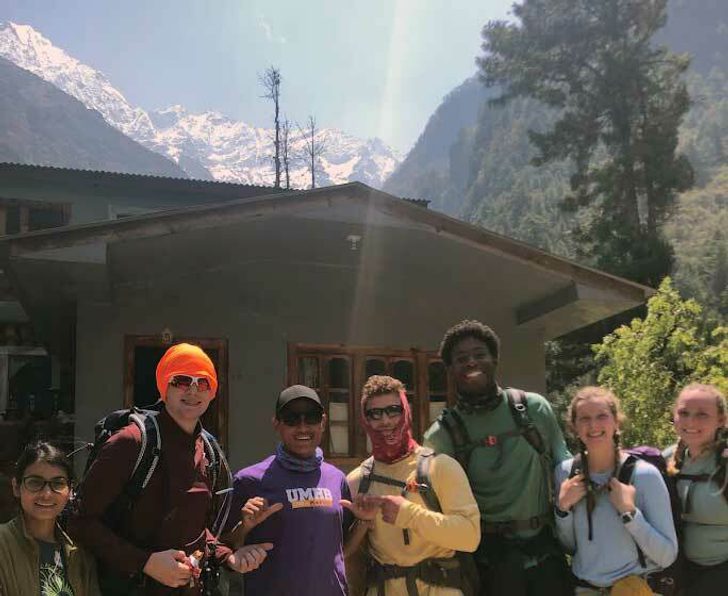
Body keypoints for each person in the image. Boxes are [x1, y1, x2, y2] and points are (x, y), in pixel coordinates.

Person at [68, 343, 267, 595]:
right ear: (164, 388)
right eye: (181, 381)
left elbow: (194, 531)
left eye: (202, 382)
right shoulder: (131, 443)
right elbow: (79, 522)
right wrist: (145, 563)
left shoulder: (208, 452)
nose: (193, 390)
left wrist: (226, 556)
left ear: (212, 392)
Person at [423, 320, 572, 595]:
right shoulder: (442, 436)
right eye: (461, 358)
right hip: (489, 563)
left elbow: (565, 466)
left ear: (495, 359)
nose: (471, 362)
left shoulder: (533, 409)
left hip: (546, 552)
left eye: (479, 354)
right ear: (450, 369)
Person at [344, 375, 481, 595]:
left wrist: (409, 514)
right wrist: (361, 523)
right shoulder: (357, 481)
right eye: (375, 414)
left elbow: (470, 537)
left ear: (406, 412)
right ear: (364, 420)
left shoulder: (441, 468)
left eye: (393, 410)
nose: (385, 421)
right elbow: (345, 555)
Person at [223, 384, 361, 595]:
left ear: (323, 422)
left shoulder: (336, 479)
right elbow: (223, 547)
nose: (303, 427)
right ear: (276, 424)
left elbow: (341, 548)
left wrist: (367, 522)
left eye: (311, 417)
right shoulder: (249, 480)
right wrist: (245, 526)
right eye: (291, 418)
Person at [555, 386, 678, 594]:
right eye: (584, 418)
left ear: (616, 422)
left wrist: (630, 514)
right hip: (585, 590)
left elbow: (667, 555)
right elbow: (570, 547)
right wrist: (563, 509)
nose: (593, 425)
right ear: (573, 427)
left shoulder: (644, 476)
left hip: (635, 588)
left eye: (602, 416)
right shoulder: (565, 473)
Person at [0, 441, 100, 595]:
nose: (47, 494)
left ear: (70, 491)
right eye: (35, 482)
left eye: (58, 483)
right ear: (16, 487)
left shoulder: (80, 557)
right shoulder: (3, 545)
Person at [667, 383, 728, 595]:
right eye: (684, 413)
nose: (691, 421)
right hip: (677, 574)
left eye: (702, 414)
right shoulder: (666, 460)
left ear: (721, 420)